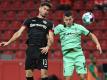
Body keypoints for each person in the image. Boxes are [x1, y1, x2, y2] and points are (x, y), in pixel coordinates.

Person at [0, 2, 54, 80]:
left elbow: (51, 37)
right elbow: (19, 33)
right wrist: (8, 42)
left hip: (42, 50)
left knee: (44, 74)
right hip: (31, 49)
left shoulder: (49, 23)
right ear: (39, 8)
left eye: (48, 10)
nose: (46, 11)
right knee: (28, 73)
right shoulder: (29, 20)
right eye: (44, 9)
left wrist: (48, 47)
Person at [54, 11, 102, 80]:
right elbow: (50, 34)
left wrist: (98, 44)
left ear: (72, 19)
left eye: (70, 19)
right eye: (66, 20)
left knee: (83, 77)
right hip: (67, 56)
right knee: (67, 78)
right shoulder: (60, 27)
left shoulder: (79, 27)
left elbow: (91, 35)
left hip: (78, 55)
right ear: (63, 20)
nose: (68, 21)